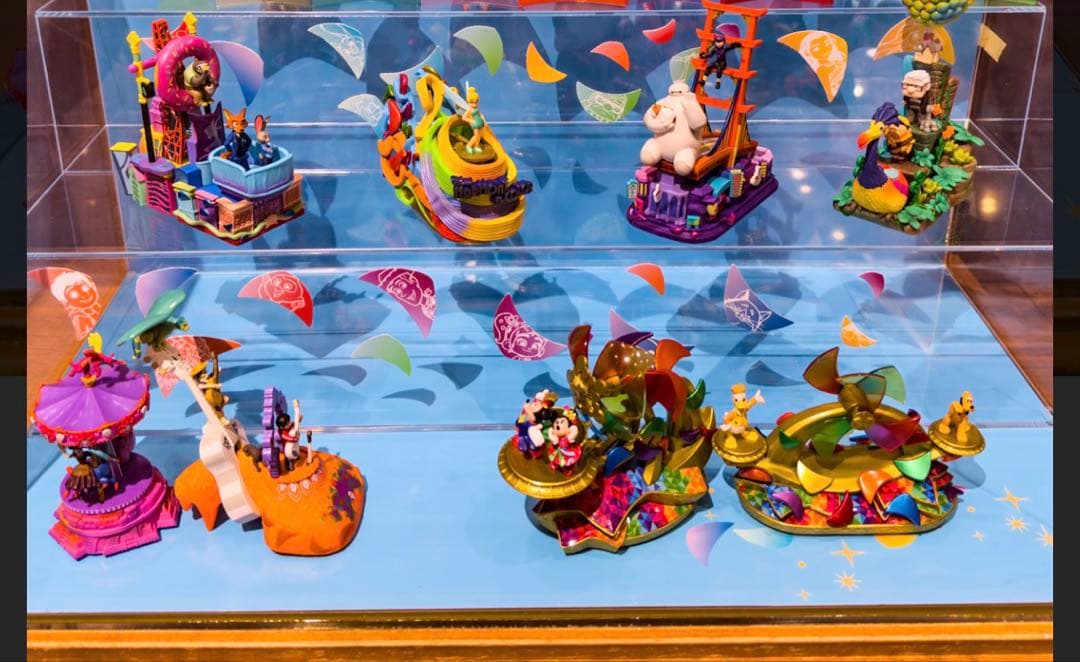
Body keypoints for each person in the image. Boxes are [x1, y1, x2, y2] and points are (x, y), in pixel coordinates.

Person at [461, 87, 485, 155]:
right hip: (476, 124)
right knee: (476, 136)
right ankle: (468, 146)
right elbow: (464, 117)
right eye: (472, 102)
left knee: (479, 136)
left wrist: (483, 119)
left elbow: (480, 114)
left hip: (480, 123)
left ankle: (476, 146)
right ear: (468, 102)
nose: (474, 104)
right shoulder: (469, 110)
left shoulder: (476, 108)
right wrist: (472, 121)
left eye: (476, 102)